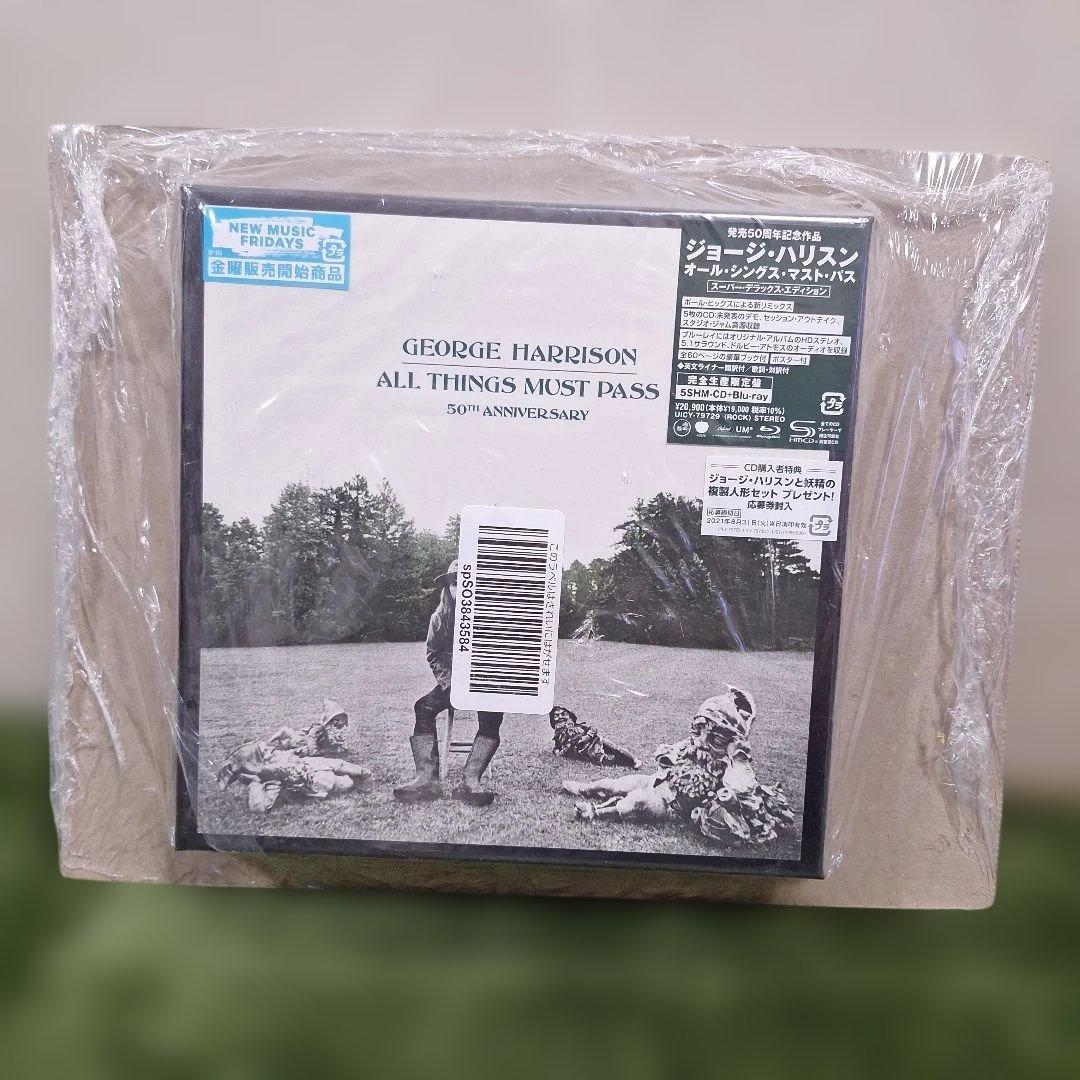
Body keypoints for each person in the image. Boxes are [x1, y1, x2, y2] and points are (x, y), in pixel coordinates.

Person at [561, 685, 796, 845]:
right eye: (699, 730)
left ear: (732, 743)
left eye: (716, 739)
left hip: (668, 806)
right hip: (655, 781)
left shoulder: (733, 766)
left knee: (638, 801)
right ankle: (585, 788)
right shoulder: (693, 745)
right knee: (616, 784)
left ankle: (595, 812)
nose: (702, 740)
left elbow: (743, 789)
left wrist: (736, 755)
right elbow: (670, 756)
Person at [393, 560, 503, 807]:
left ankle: (470, 782)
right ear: (448, 588)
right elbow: (433, 653)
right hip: (452, 683)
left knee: (494, 715)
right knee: (423, 706)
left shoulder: (488, 616)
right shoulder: (439, 617)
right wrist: (449, 682)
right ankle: (426, 780)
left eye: (465, 583)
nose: (459, 589)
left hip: (482, 681)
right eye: (454, 584)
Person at [549, 704, 641, 768]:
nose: (560, 717)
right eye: (556, 715)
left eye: (563, 714)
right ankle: (624, 763)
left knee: (614, 748)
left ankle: (634, 760)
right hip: (586, 750)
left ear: (570, 717)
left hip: (596, 740)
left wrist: (587, 736)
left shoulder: (579, 726)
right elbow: (559, 747)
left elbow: (593, 729)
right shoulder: (559, 735)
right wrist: (558, 751)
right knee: (604, 760)